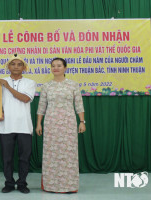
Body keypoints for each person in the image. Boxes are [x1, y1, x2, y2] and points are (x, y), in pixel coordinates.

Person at [36, 57, 86, 193]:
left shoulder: (73, 85)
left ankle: (69, 185)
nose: (55, 68)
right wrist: (38, 124)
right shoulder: (47, 86)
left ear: (65, 68)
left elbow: (79, 105)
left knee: (68, 154)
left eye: (59, 65)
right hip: (51, 123)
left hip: (68, 123)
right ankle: (50, 185)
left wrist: (82, 122)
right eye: (53, 66)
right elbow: (41, 107)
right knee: (51, 153)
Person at [0, 54, 36, 194]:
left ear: (24, 68)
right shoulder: (0, 82)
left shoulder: (30, 82)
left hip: (24, 126)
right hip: (5, 126)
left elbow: (25, 98)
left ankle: (22, 183)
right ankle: (8, 183)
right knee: (6, 158)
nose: (16, 67)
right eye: (13, 64)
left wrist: (7, 86)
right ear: (8, 67)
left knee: (24, 157)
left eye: (19, 64)